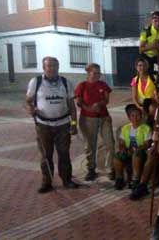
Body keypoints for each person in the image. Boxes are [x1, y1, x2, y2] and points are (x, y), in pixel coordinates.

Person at [25, 56, 79, 193]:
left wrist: (73, 123)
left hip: (63, 124)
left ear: (58, 67)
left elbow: (72, 106)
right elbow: (28, 101)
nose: (52, 68)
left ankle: (67, 180)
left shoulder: (66, 82)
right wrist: (30, 108)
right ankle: (46, 182)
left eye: (55, 66)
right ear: (44, 68)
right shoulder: (35, 82)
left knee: (64, 154)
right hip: (43, 125)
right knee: (46, 155)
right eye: (49, 66)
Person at [74, 63, 115, 181]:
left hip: (104, 117)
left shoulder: (103, 84)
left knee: (110, 143)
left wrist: (99, 104)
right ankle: (91, 169)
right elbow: (79, 101)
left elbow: (106, 100)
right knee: (90, 145)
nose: (97, 75)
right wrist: (89, 108)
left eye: (99, 73)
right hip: (88, 119)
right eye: (95, 73)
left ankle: (110, 168)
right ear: (88, 73)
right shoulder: (82, 85)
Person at [113, 104, 152, 190]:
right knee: (117, 156)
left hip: (141, 152)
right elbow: (121, 142)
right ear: (129, 118)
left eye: (137, 116)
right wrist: (123, 149)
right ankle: (119, 179)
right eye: (133, 116)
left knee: (136, 154)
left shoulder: (146, 128)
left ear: (141, 117)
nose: (135, 118)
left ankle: (135, 179)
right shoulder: (125, 128)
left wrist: (135, 149)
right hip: (128, 151)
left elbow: (147, 143)